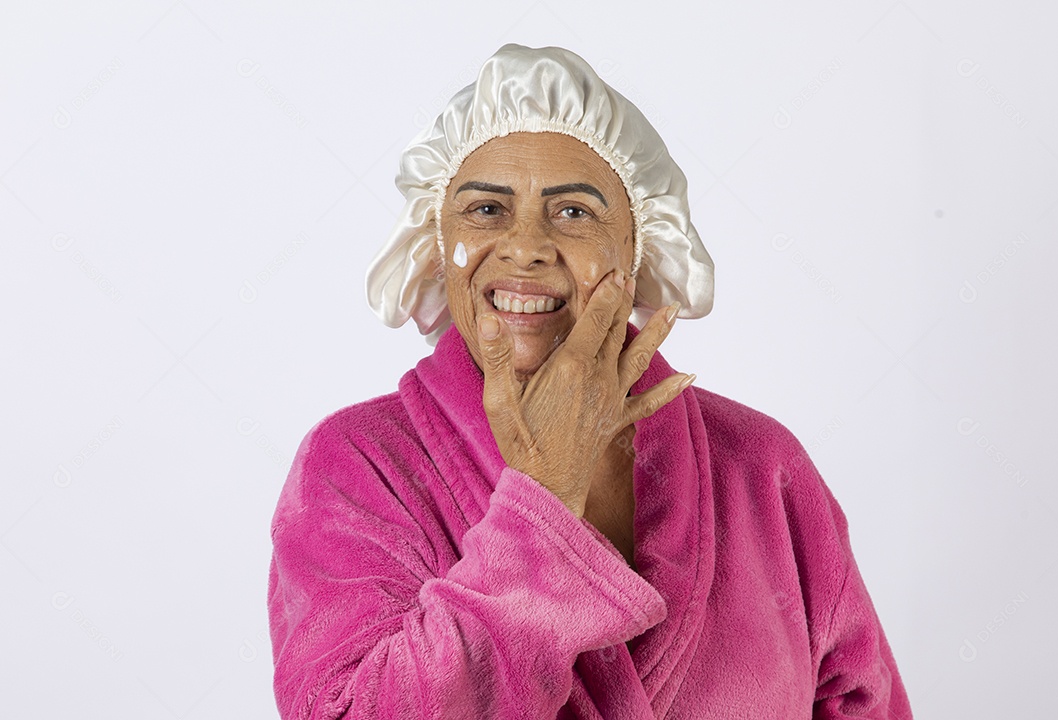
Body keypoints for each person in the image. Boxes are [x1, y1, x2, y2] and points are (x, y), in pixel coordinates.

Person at [268, 44, 913, 719]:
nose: (525, 246)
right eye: (485, 210)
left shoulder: (759, 465)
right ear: (435, 244)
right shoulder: (356, 466)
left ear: (638, 248)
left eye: (574, 212)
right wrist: (544, 501)